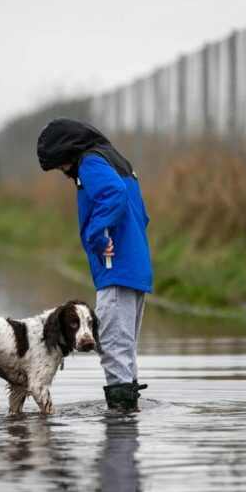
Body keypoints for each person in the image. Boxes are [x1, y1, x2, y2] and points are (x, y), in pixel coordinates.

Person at [37, 117, 151, 411]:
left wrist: (97, 233)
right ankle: (130, 421)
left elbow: (114, 194)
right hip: (135, 270)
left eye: (61, 165)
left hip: (115, 269)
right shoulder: (116, 160)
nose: (63, 172)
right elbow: (142, 215)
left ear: (68, 153)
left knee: (111, 347)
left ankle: (121, 425)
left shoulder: (89, 162)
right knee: (124, 349)